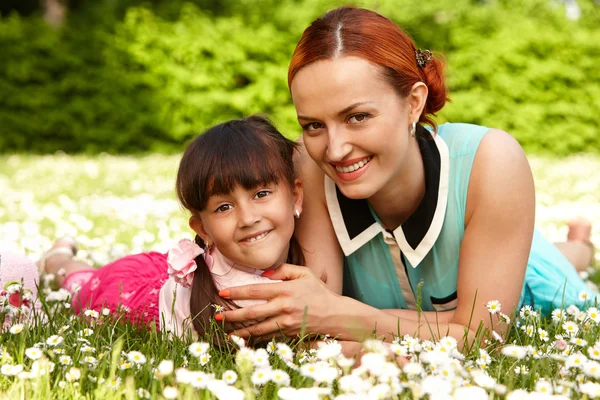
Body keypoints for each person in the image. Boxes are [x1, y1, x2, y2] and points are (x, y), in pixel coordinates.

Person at [214, 6, 597, 348]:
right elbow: (312, 325)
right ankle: (575, 242)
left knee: (557, 264)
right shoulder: (309, 166)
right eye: (313, 125)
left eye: (357, 117)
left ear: (413, 102)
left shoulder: (490, 160)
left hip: (524, 275)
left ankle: (580, 246)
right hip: (473, 258)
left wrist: (340, 316)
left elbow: (484, 334)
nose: (334, 149)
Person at [40, 116, 305, 338]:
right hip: (128, 294)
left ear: (296, 196)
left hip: (166, 273)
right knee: (79, 283)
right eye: (224, 207)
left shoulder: (311, 245)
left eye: (261, 194)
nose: (248, 218)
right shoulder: (243, 299)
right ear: (202, 228)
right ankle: (58, 258)